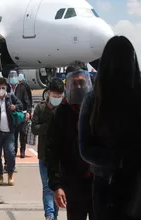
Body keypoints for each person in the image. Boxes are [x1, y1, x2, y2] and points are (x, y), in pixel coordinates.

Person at [78, 36, 141, 220]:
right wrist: (125, 159)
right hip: (123, 186)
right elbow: (85, 148)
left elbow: (85, 148)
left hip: (124, 186)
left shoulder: (94, 99)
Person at [47, 64, 94, 220]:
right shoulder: (59, 114)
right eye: (74, 83)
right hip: (74, 183)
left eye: (82, 82)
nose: (79, 86)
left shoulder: (97, 108)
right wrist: (56, 185)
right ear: (67, 84)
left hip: (98, 181)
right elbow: (52, 152)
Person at [31, 78, 64, 220]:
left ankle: (54, 214)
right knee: (47, 187)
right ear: (48, 93)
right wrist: (49, 126)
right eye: (54, 96)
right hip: (44, 155)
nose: (56, 99)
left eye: (59, 96)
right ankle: (49, 215)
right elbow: (34, 128)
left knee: (56, 187)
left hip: (60, 157)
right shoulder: (40, 108)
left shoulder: (63, 109)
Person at [0, 77, 23, 186]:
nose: (1, 89)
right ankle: (0, 175)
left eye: (3, 87)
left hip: (9, 132)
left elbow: (20, 105)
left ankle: (10, 174)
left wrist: (14, 107)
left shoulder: (10, 97)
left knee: (10, 153)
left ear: (6, 87)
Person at [7, 70, 32, 158]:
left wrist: (28, 112)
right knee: (13, 134)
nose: (13, 78)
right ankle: (14, 150)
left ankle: (22, 150)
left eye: (15, 76)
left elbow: (27, 101)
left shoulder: (22, 88)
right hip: (11, 115)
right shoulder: (7, 88)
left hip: (21, 114)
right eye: (11, 76)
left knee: (23, 133)